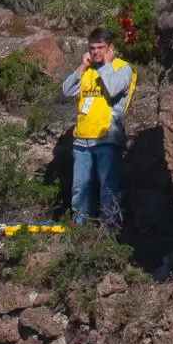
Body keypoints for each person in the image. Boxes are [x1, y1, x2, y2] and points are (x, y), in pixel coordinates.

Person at [61, 31, 138, 227]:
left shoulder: (123, 69)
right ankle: (80, 228)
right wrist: (82, 67)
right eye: (92, 48)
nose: (95, 52)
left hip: (107, 139)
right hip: (83, 140)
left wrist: (107, 64)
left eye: (100, 48)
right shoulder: (88, 69)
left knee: (108, 188)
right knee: (80, 189)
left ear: (110, 48)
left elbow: (113, 88)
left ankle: (108, 231)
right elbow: (67, 90)